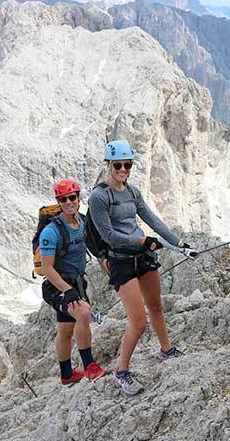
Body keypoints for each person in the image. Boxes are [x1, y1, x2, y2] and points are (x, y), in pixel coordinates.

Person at [88, 140, 198, 395]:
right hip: (121, 260)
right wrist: (142, 241)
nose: (124, 169)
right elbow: (109, 236)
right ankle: (121, 371)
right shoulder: (99, 196)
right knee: (138, 322)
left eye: (128, 165)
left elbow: (152, 220)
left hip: (142, 255)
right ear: (108, 164)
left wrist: (180, 243)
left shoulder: (133, 192)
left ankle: (166, 349)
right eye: (118, 165)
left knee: (156, 306)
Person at [39, 179, 107, 385]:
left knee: (66, 330)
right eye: (63, 199)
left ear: (78, 198)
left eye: (72, 197)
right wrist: (67, 291)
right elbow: (47, 268)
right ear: (58, 202)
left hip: (77, 283)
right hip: (57, 286)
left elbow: (96, 248)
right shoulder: (51, 232)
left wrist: (108, 266)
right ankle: (89, 366)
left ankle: (67, 375)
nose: (69, 202)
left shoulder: (84, 222)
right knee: (83, 312)